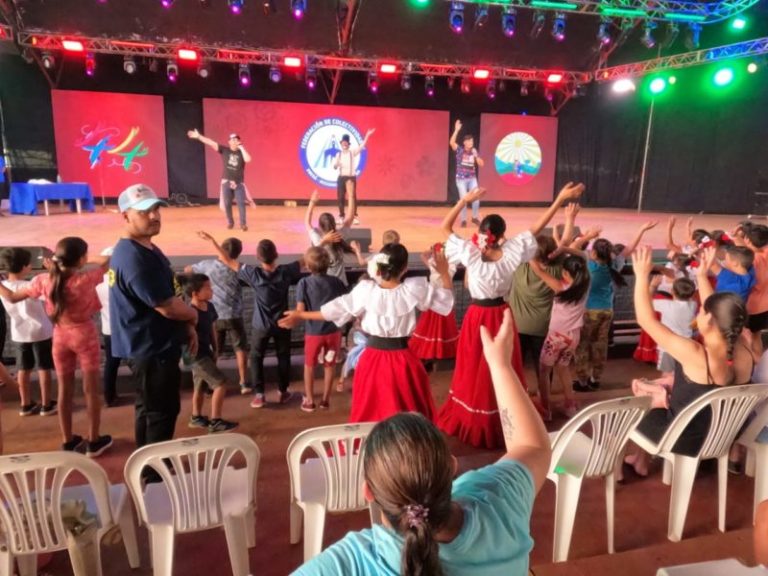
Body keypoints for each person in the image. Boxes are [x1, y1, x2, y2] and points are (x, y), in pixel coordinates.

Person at [292, 309, 551, 576]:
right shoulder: (499, 504)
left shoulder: (353, 562)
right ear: (451, 467)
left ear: (368, 492)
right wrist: (500, 365)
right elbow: (532, 447)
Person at [437, 183, 584, 450]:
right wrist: (559, 199)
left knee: (474, 365)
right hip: (502, 315)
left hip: (477, 317)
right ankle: (508, 415)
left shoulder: (470, 253)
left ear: (481, 233)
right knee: (505, 365)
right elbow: (537, 228)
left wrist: (465, 201)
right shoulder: (513, 252)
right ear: (503, 235)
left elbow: (446, 228)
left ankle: (476, 413)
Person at [280, 243, 454, 423]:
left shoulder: (366, 291)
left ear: (379, 266)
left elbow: (334, 310)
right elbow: (446, 301)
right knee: (407, 413)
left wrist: (301, 314)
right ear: (404, 269)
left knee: (370, 411)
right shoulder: (414, 289)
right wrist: (444, 273)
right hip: (404, 361)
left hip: (372, 361)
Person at [623, 246, 753, 478]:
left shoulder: (694, 353)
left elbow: (645, 319)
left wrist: (641, 277)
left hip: (686, 437)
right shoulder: (744, 349)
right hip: (720, 435)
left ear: (710, 320)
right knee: (661, 389)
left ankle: (630, 464)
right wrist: (702, 276)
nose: (699, 314)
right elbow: (720, 310)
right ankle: (639, 459)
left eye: (703, 311)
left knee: (634, 406)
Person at [0, 238, 113, 457]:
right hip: (85, 336)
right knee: (91, 392)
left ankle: (68, 440)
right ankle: (93, 440)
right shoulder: (86, 278)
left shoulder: (44, 280)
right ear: (81, 259)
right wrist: (85, 260)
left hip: (60, 337)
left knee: (64, 390)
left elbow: (12, 297)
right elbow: (107, 261)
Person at [109, 184, 199, 451]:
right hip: (150, 349)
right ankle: (153, 475)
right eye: (144, 211)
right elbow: (167, 306)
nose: (154, 216)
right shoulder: (134, 259)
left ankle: (145, 465)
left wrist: (185, 325)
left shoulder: (145, 248)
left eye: (156, 209)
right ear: (125, 216)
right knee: (161, 412)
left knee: (148, 408)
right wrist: (192, 315)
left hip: (151, 345)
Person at [197, 232, 303, 409]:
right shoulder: (286, 271)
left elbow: (228, 261)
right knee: (283, 356)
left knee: (256, 357)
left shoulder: (253, 274)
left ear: (257, 257)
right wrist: (323, 241)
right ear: (276, 255)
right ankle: (283, 391)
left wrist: (213, 241)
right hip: (283, 323)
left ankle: (259, 394)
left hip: (261, 325)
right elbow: (306, 259)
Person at [573, 222, 657, 392]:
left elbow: (573, 248)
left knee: (583, 346)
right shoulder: (614, 265)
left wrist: (589, 236)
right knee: (600, 345)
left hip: (589, 312)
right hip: (607, 311)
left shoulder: (589, 266)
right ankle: (595, 379)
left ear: (594, 253)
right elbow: (629, 249)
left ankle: (582, 381)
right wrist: (640, 229)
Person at [185, 237, 251, 394]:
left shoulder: (207, 265)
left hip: (215, 316)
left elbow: (188, 269)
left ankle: (210, 384)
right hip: (234, 315)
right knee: (240, 348)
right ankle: (243, 382)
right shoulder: (237, 268)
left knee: (215, 350)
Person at [529, 254, 591, 420]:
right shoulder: (585, 287)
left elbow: (537, 269)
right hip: (574, 336)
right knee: (563, 369)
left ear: (565, 273)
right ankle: (570, 406)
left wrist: (528, 252)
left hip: (556, 336)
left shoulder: (559, 286)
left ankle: (545, 409)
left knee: (544, 371)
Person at [0, 248, 56, 416]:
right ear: (25, 267)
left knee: (23, 369)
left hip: (19, 334)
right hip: (41, 332)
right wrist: (52, 272)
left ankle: (25, 404)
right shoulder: (32, 285)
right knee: (44, 368)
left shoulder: (4, 286)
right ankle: (46, 404)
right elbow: (50, 291)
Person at [294, 247, 347, 411]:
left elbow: (300, 310)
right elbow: (344, 303)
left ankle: (309, 400)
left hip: (313, 333)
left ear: (308, 266)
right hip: (333, 332)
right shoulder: (336, 282)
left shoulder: (303, 283)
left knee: (309, 366)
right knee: (329, 365)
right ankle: (325, 400)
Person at [185, 273, 238, 433]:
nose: (211, 290)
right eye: (207, 288)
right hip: (195, 355)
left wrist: (215, 349)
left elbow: (212, 329)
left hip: (205, 352)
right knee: (220, 383)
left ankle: (196, 417)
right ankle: (215, 420)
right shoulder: (189, 311)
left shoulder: (209, 306)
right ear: (195, 293)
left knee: (200, 385)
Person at [187, 129, 252, 231]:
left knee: (241, 203)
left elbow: (248, 159)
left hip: (239, 183)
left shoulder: (241, 153)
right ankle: (230, 222)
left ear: (239, 142)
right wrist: (199, 136)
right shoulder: (224, 150)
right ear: (229, 142)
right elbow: (211, 142)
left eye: (236, 140)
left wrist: (242, 148)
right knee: (227, 203)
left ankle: (243, 224)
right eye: (232, 140)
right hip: (226, 182)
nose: (234, 141)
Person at [409, 243, 459, 367]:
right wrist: (431, 249)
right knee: (439, 326)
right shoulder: (440, 264)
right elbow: (423, 255)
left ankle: (433, 353)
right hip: (436, 301)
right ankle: (438, 353)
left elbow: (423, 256)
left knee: (432, 327)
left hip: (440, 301)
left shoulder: (450, 265)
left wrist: (432, 250)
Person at [304, 189, 364, 286]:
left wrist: (312, 202)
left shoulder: (317, 239)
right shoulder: (339, 235)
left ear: (319, 226)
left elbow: (307, 222)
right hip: (342, 286)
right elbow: (350, 218)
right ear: (334, 224)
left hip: (325, 287)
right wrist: (351, 196)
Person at [333, 129, 375, 225]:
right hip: (341, 178)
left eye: (346, 142)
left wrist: (367, 135)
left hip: (351, 178)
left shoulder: (353, 152)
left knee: (352, 197)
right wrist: (336, 164)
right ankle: (341, 216)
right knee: (340, 198)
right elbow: (335, 167)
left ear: (348, 144)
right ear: (341, 143)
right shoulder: (338, 154)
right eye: (343, 142)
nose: (344, 144)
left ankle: (354, 217)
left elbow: (362, 146)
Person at [449, 119, 485, 228]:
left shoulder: (474, 152)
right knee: (464, 199)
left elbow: (481, 164)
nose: (471, 143)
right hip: (461, 179)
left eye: (472, 142)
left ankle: (474, 217)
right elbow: (451, 143)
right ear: (465, 142)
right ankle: (463, 220)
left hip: (472, 178)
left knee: (476, 198)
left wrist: (476, 156)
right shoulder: (460, 150)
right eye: (469, 141)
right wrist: (456, 130)